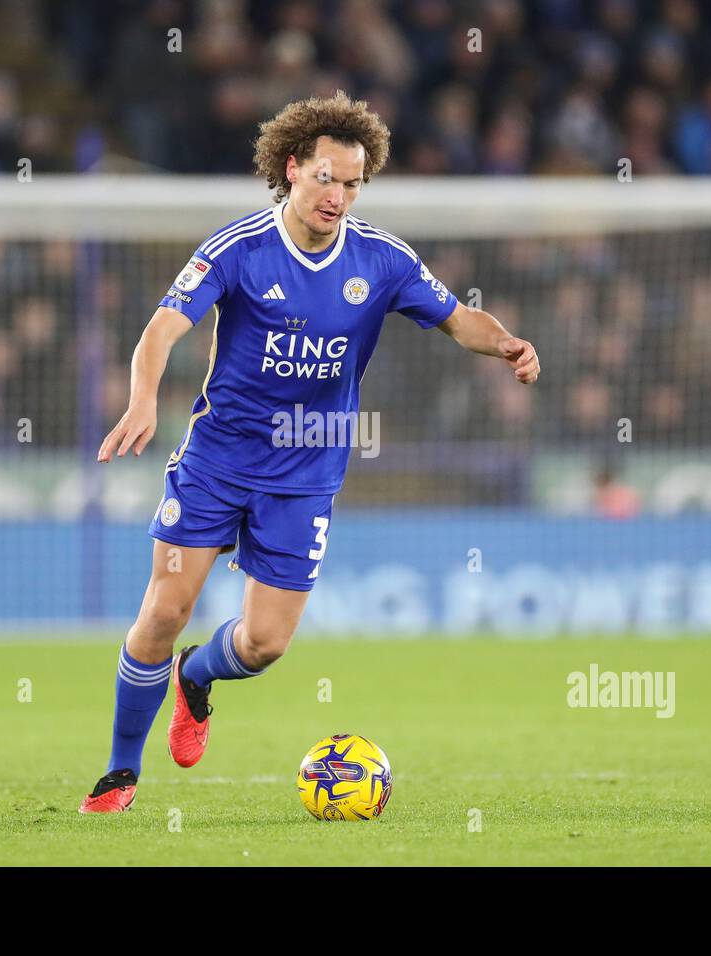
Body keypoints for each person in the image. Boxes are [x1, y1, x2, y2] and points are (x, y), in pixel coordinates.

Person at [79, 91, 540, 813]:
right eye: (327, 177)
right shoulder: (238, 249)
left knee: (264, 645)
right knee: (166, 609)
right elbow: (162, 328)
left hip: (306, 471)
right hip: (217, 461)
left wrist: (506, 342)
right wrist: (142, 398)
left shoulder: (381, 260)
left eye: (353, 183)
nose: (339, 195)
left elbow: (458, 319)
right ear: (292, 169)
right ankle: (119, 773)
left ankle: (194, 679)